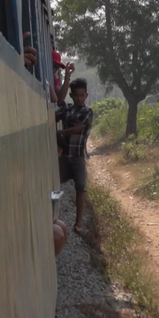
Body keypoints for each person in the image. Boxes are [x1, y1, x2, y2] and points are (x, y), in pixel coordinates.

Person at [56, 78, 93, 233]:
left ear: (86, 95)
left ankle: (78, 223)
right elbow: (54, 113)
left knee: (80, 188)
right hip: (64, 156)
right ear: (71, 95)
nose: (79, 98)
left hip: (77, 156)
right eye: (76, 95)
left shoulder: (87, 112)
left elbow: (78, 128)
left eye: (82, 95)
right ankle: (54, 215)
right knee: (55, 183)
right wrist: (67, 76)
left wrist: (60, 132)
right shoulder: (66, 109)